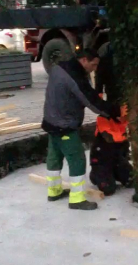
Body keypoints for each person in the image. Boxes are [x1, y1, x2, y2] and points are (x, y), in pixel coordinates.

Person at [42, 49, 120, 211]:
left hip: (51, 121)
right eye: (94, 64)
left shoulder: (58, 68)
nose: (94, 68)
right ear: (84, 60)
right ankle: (77, 199)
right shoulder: (74, 76)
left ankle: (54, 191)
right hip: (65, 125)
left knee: (54, 157)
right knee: (77, 160)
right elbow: (91, 100)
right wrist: (114, 113)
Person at [89, 43, 133, 195]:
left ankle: (116, 170)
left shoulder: (125, 117)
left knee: (131, 180)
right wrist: (99, 95)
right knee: (108, 189)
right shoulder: (105, 120)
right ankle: (98, 174)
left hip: (116, 155)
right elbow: (99, 85)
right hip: (103, 156)